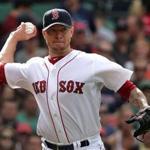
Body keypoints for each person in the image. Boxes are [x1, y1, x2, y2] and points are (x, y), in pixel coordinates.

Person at [0, 8, 149, 150]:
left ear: (71, 31)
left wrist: (144, 106)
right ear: (44, 34)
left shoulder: (91, 62)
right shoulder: (33, 67)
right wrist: (14, 37)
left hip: (88, 146)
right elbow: (2, 70)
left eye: (63, 30)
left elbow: (128, 88)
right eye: (52, 31)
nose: (58, 35)